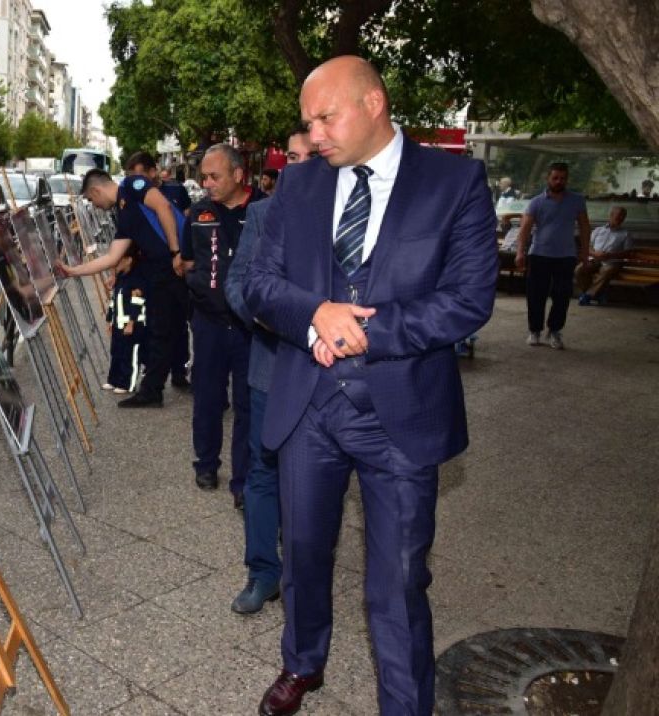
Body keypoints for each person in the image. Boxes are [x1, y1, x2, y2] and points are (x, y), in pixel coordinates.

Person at [246, 56, 496, 716]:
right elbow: (258, 286)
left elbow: (468, 300)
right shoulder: (297, 188)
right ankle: (302, 664)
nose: (315, 133)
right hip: (309, 407)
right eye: (308, 122)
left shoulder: (456, 181)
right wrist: (313, 316)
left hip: (402, 413)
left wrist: (371, 333)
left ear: (374, 102)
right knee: (301, 553)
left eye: (326, 117)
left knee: (399, 580)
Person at [224, 124, 315, 615]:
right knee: (262, 472)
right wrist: (262, 315)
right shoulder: (260, 215)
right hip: (269, 366)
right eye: (292, 159)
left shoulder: (341, 216)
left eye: (308, 157)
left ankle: (306, 576)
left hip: (322, 371)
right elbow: (237, 282)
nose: (298, 166)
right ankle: (263, 573)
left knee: (313, 478)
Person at [58, 168, 186, 408]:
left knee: (191, 323)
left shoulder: (133, 184)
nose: (93, 205)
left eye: (90, 199)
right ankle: (152, 390)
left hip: (178, 265)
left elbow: (163, 208)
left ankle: (163, 387)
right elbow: (111, 257)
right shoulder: (124, 215)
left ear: (96, 190)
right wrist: (74, 271)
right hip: (161, 274)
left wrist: (176, 251)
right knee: (163, 329)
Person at [182, 144, 263, 497]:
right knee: (208, 398)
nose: (207, 183)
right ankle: (206, 465)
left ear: (238, 175)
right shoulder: (198, 214)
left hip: (252, 328)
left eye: (214, 176)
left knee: (248, 403)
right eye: (204, 177)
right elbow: (185, 261)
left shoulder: (265, 210)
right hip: (209, 324)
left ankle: (243, 481)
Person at [127, 151, 192, 388]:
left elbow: (185, 220)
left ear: (153, 172)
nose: (137, 181)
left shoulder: (174, 191)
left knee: (179, 324)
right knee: (159, 324)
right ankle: (155, 379)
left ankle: (179, 372)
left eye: (141, 175)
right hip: (155, 266)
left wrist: (181, 253)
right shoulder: (136, 196)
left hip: (177, 263)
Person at [515, 162, 590, 349]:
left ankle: (555, 331)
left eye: (562, 178)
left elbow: (584, 227)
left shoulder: (577, 200)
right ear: (548, 178)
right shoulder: (536, 202)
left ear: (567, 179)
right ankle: (534, 331)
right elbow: (525, 229)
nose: (559, 181)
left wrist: (585, 252)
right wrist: (520, 252)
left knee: (562, 296)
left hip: (566, 256)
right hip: (540, 254)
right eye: (555, 177)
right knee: (536, 295)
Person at [104, 244, 148, 393]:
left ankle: (126, 383)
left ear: (128, 260)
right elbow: (114, 300)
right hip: (118, 323)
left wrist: (131, 322)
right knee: (116, 352)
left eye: (119, 260)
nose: (115, 264)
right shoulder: (121, 278)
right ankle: (113, 379)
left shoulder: (137, 279)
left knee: (129, 355)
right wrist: (110, 319)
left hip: (131, 325)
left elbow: (137, 301)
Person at [576, 206, 632, 305]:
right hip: (594, 259)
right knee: (579, 270)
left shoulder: (626, 234)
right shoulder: (598, 230)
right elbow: (587, 246)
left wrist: (610, 255)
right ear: (611, 215)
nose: (620, 219)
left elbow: (627, 253)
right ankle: (598, 294)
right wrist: (595, 253)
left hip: (612, 262)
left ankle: (588, 295)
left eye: (623, 217)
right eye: (618, 216)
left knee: (605, 271)